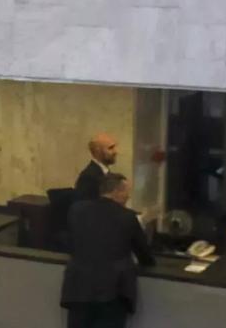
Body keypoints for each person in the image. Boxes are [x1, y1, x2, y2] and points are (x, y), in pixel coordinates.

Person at [61, 173, 155, 328]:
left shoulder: (77, 210)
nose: (128, 196)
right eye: (126, 192)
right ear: (116, 192)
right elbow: (144, 256)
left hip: (78, 289)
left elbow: (72, 243)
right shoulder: (128, 217)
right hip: (112, 293)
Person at [74, 133, 118, 200]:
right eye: (110, 148)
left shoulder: (105, 173)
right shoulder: (88, 177)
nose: (115, 152)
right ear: (98, 151)